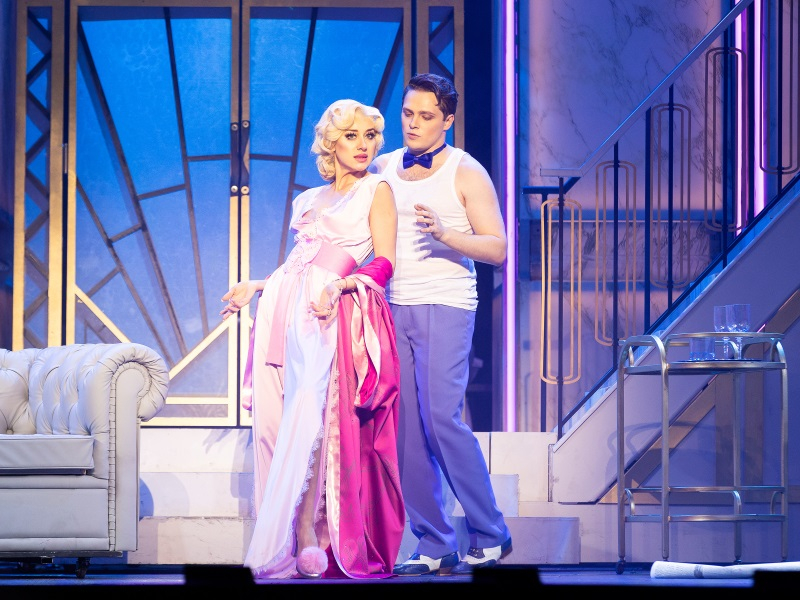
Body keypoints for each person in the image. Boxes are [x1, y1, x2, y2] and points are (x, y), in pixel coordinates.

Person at [220, 99, 404, 580]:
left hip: (330, 311)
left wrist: (342, 286)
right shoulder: (307, 200)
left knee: (316, 417)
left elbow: (385, 262)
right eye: (351, 136)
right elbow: (297, 266)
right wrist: (256, 285)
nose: (363, 146)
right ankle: (287, 535)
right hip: (285, 309)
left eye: (370, 136)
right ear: (331, 142)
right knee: (279, 421)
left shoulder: (377, 190)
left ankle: (309, 532)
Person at [370, 73, 512, 576]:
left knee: (441, 419)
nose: (413, 124)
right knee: (406, 429)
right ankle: (434, 542)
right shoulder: (384, 167)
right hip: (394, 305)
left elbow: (498, 248)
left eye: (426, 116)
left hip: (447, 303)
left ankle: (491, 532)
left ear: (447, 120)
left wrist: (448, 234)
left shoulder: (465, 171)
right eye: (408, 113)